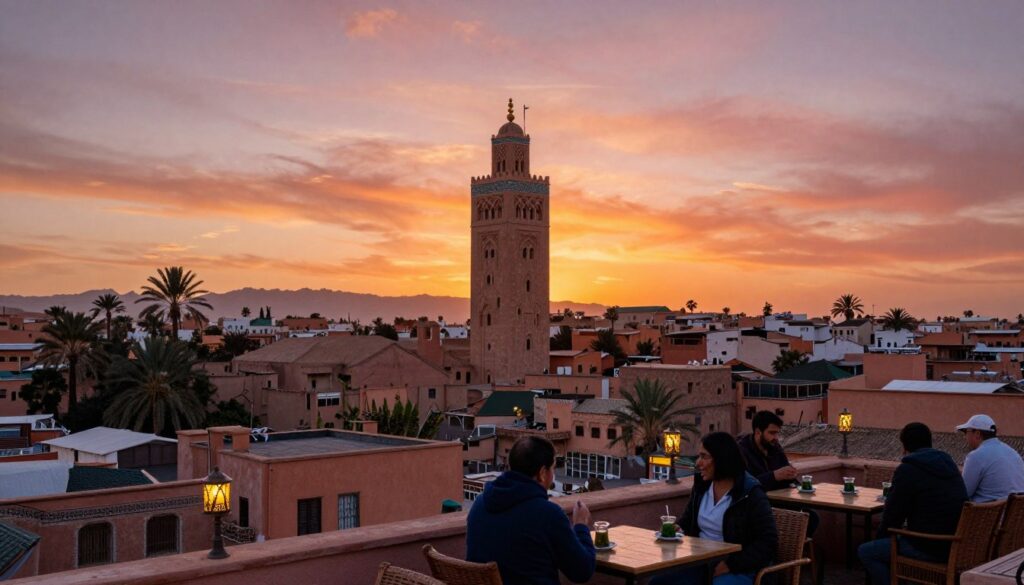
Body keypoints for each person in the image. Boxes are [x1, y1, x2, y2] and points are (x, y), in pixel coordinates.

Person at [652, 432, 778, 585]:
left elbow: (768, 541)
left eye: (704, 457)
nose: (698, 463)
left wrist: (731, 565)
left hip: (739, 565)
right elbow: (687, 521)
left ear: (722, 459)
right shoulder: (702, 486)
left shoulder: (750, 492)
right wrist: (678, 528)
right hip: (701, 561)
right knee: (659, 581)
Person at [466, 436, 595, 585]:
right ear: (542, 473)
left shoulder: (479, 504)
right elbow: (582, 571)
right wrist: (581, 525)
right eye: (552, 468)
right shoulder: (548, 515)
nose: (553, 476)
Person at [858, 423, 968, 585]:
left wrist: (879, 539)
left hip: (928, 546)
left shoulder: (908, 470)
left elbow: (892, 516)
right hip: (954, 544)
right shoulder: (949, 465)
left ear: (904, 446)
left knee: (867, 551)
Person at [737, 411, 819, 535]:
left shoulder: (775, 447)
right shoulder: (742, 451)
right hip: (757, 507)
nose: (776, 438)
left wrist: (792, 478)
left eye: (777, 433)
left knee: (812, 517)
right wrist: (774, 476)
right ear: (758, 432)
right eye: (772, 433)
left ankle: (794, 551)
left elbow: (785, 472)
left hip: (780, 502)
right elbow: (745, 484)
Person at [956, 414, 1024, 502]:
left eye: (966, 432)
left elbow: (964, 493)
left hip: (987, 513)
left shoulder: (976, 456)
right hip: (1015, 513)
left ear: (977, 434)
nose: (965, 437)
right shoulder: (1012, 452)